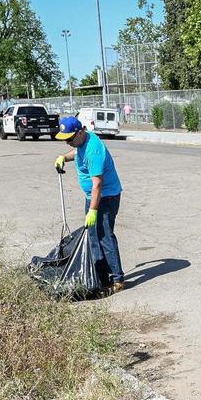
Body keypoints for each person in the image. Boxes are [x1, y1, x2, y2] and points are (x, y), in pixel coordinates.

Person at [53, 115, 124, 292]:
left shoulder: (93, 150)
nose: (67, 142)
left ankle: (117, 279)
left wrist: (93, 210)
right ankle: (101, 276)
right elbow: (77, 153)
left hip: (105, 197)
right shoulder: (82, 142)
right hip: (93, 196)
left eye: (69, 138)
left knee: (104, 237)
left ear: (79, 132)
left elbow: (97, 185)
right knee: (93, 237)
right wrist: (63, 157)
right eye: (65, 139)